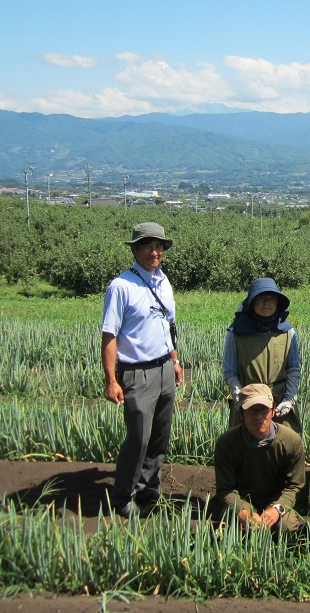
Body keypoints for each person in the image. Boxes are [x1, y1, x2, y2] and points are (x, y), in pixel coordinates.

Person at [101, 222, 182, 519]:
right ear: (134, 249)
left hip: (163, 368)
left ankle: (148, 490)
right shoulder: (121, 286)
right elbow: (109, 335)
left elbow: (166, 325)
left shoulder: (163, 281)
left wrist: (173, 359)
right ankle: (123, 497)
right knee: (139, 438)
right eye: (147, 245)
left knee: (160, 436)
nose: (154, 251)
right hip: (136, 372)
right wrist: (112, 380)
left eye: (158, 246)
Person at [213, 383, 307, 533]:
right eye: (251, 411)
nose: (258, 417)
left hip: (277, 499)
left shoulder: (291, 441)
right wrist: (242, 511)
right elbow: (226, 489)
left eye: (263, 410)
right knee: (235, 528)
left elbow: (295, 486)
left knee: (285, 527)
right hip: (243, 499)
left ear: (273, 411)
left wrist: (277, 509)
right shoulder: (227, 443)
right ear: (241, 414)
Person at [223, 278, 302, 434]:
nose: (267, 303)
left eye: (271, 298)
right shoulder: (236, 334)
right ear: (251, 302)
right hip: (249, 402)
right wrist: (240, 398)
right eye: (261, 298)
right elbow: (230, 372)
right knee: (245, 450)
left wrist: (289, 399)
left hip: (279, 404)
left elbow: (293, 369)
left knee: (284, 447)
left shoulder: (286, 333)